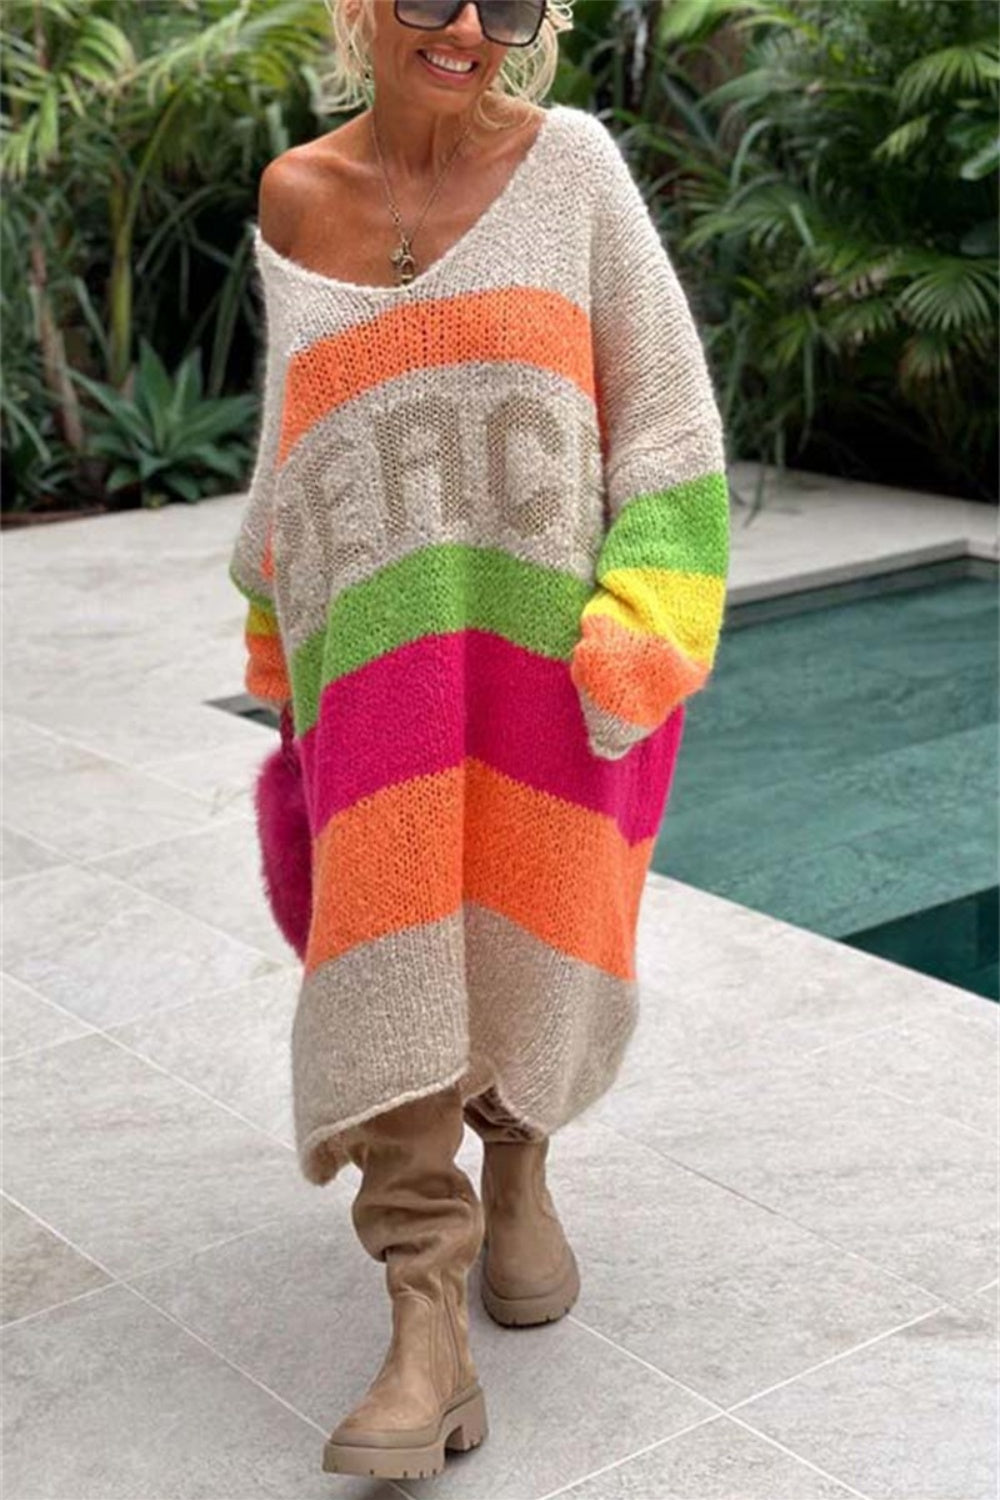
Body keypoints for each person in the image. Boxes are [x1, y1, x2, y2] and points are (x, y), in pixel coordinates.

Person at [228, 0, 731, 1480]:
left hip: (546, 670)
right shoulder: (296, 197)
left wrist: (642, 626)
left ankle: (519, 1165)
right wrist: (274, 628)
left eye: (504, 0)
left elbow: (670, 423)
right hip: (375, 677)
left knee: (522, 932)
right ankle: (423, 1314)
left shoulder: (572, 170)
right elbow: (295, 441)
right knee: (384, 959)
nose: (465, 27)